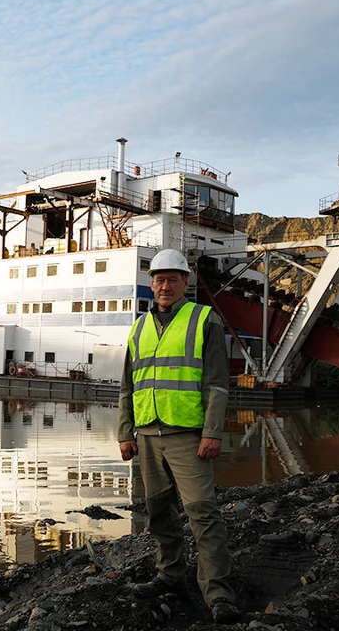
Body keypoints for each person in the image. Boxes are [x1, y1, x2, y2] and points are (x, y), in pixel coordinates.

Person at [118, 248, 238, 624]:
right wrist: (125, 431)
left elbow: (217, 384)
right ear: (151, 284)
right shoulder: (139, 327)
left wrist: (212, 433)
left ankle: (218, 594)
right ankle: (170, 576)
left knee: (202, 511)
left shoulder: (204, 319)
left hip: (189, 435)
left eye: (172, 279)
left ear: (186, 282)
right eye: (158, 279)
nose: (164, 285)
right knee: (158, 512)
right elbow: (127, 385)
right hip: (148, 435)